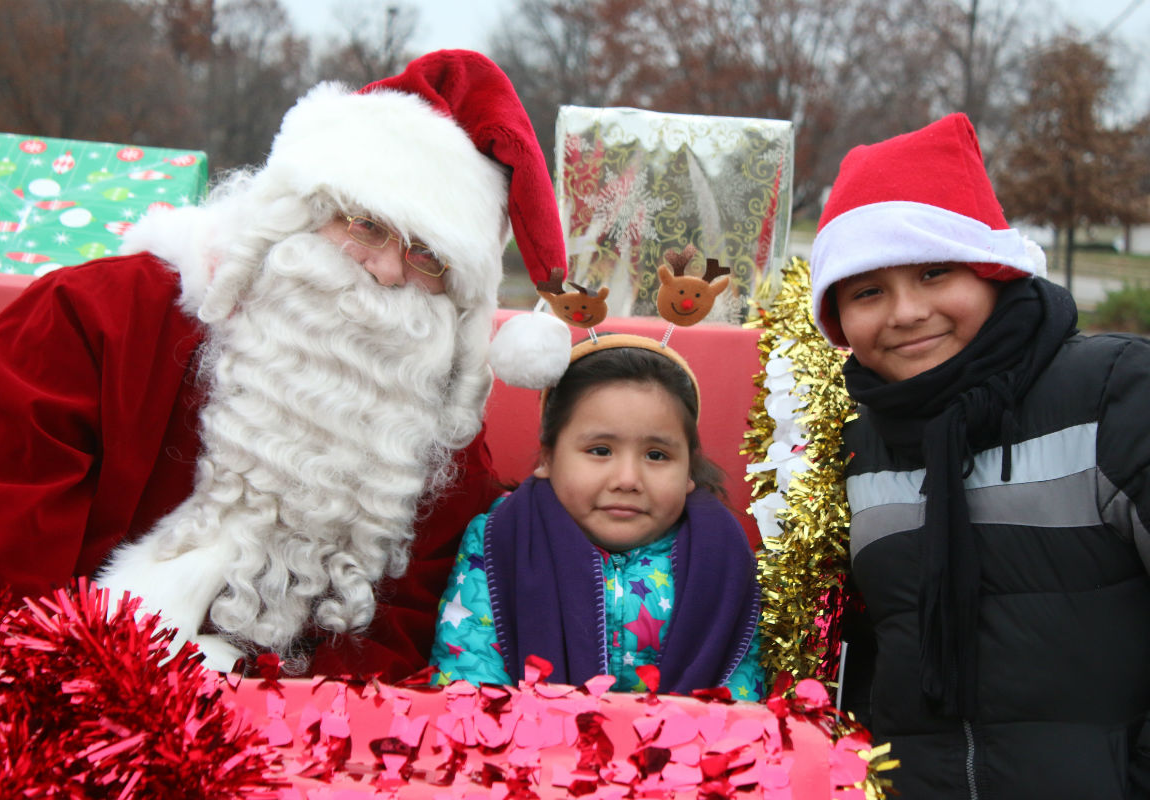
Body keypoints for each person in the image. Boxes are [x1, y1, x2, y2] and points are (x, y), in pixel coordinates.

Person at [0, 50, 569, 679]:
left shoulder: (436, 436)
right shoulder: (100, 316)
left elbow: (401, 640)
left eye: (428, 260)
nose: (386, 272)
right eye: (367, 225)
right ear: (296, 210)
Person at [810, 112, 1150, 798]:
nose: (905, 312)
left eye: (936, 272)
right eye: (868, 290)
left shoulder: (1113, 396)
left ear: (996, 270)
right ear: (838, 317)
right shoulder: (855, 451)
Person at [429, 334, 766, 698]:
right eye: (600, 450)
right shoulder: (501, 540)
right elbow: (467, 675)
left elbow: (739, 691)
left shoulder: (721, 558)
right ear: (548, 457)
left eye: (656, 456)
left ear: (689, 470)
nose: (627, 480)